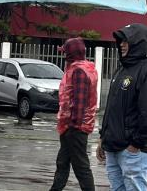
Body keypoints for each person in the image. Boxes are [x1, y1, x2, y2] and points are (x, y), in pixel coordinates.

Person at [96, 23, 147, 191]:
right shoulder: (120, 70)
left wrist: (136, 144)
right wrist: (103, 137)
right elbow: (111, 108)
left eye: (125, 40)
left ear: (137, 43)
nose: (121, 44)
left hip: (132, 151)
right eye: (120, 40)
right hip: (112, 147)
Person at [50, 37, 97, 191]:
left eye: (65, 53)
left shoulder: (79, 71)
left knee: (81, 167)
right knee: (62, 163)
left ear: (70, 54)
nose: (63, 56)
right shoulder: (77, 69)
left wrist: (73, 126)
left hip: (75, 127)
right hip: (69, 126)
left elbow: (80, 102)